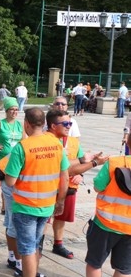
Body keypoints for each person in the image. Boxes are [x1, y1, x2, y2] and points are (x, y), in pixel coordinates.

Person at [4, 108, 69, 277]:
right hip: (47, 205)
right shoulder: (56, 145)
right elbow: (64, 176)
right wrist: (60, 201)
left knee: (27, 249)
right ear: (44, 124)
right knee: (36, 244)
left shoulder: (22, 147)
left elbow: (10, 181)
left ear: (27, 124)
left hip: (26, 207)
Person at [76, 136, 131, 277]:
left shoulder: (115, 162)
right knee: (125, 268)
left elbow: (99, 186)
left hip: (105, 223)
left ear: (128, 142)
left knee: (95, 262)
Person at [46, 109, 108, 259]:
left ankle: (58, 244)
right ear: (54, 124)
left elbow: (80, 162)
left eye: (70, 123)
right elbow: (67, 166)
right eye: (65, 123)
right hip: (49, 187)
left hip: (68, 187)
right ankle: (38, 245)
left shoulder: (74, 142)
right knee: (45, 219)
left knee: (61, 217)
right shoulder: (46, 141)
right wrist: (91, 163)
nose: (68, 126)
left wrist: (80, 173)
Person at [0, 97, 24, 218]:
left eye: (16, 109)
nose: (14, 112)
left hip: (13, 161)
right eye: (11, 109)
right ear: (6, 111)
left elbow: (25, 142)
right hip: (0, 159)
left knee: (9, 185)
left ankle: (4, 207)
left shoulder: (20, 125)